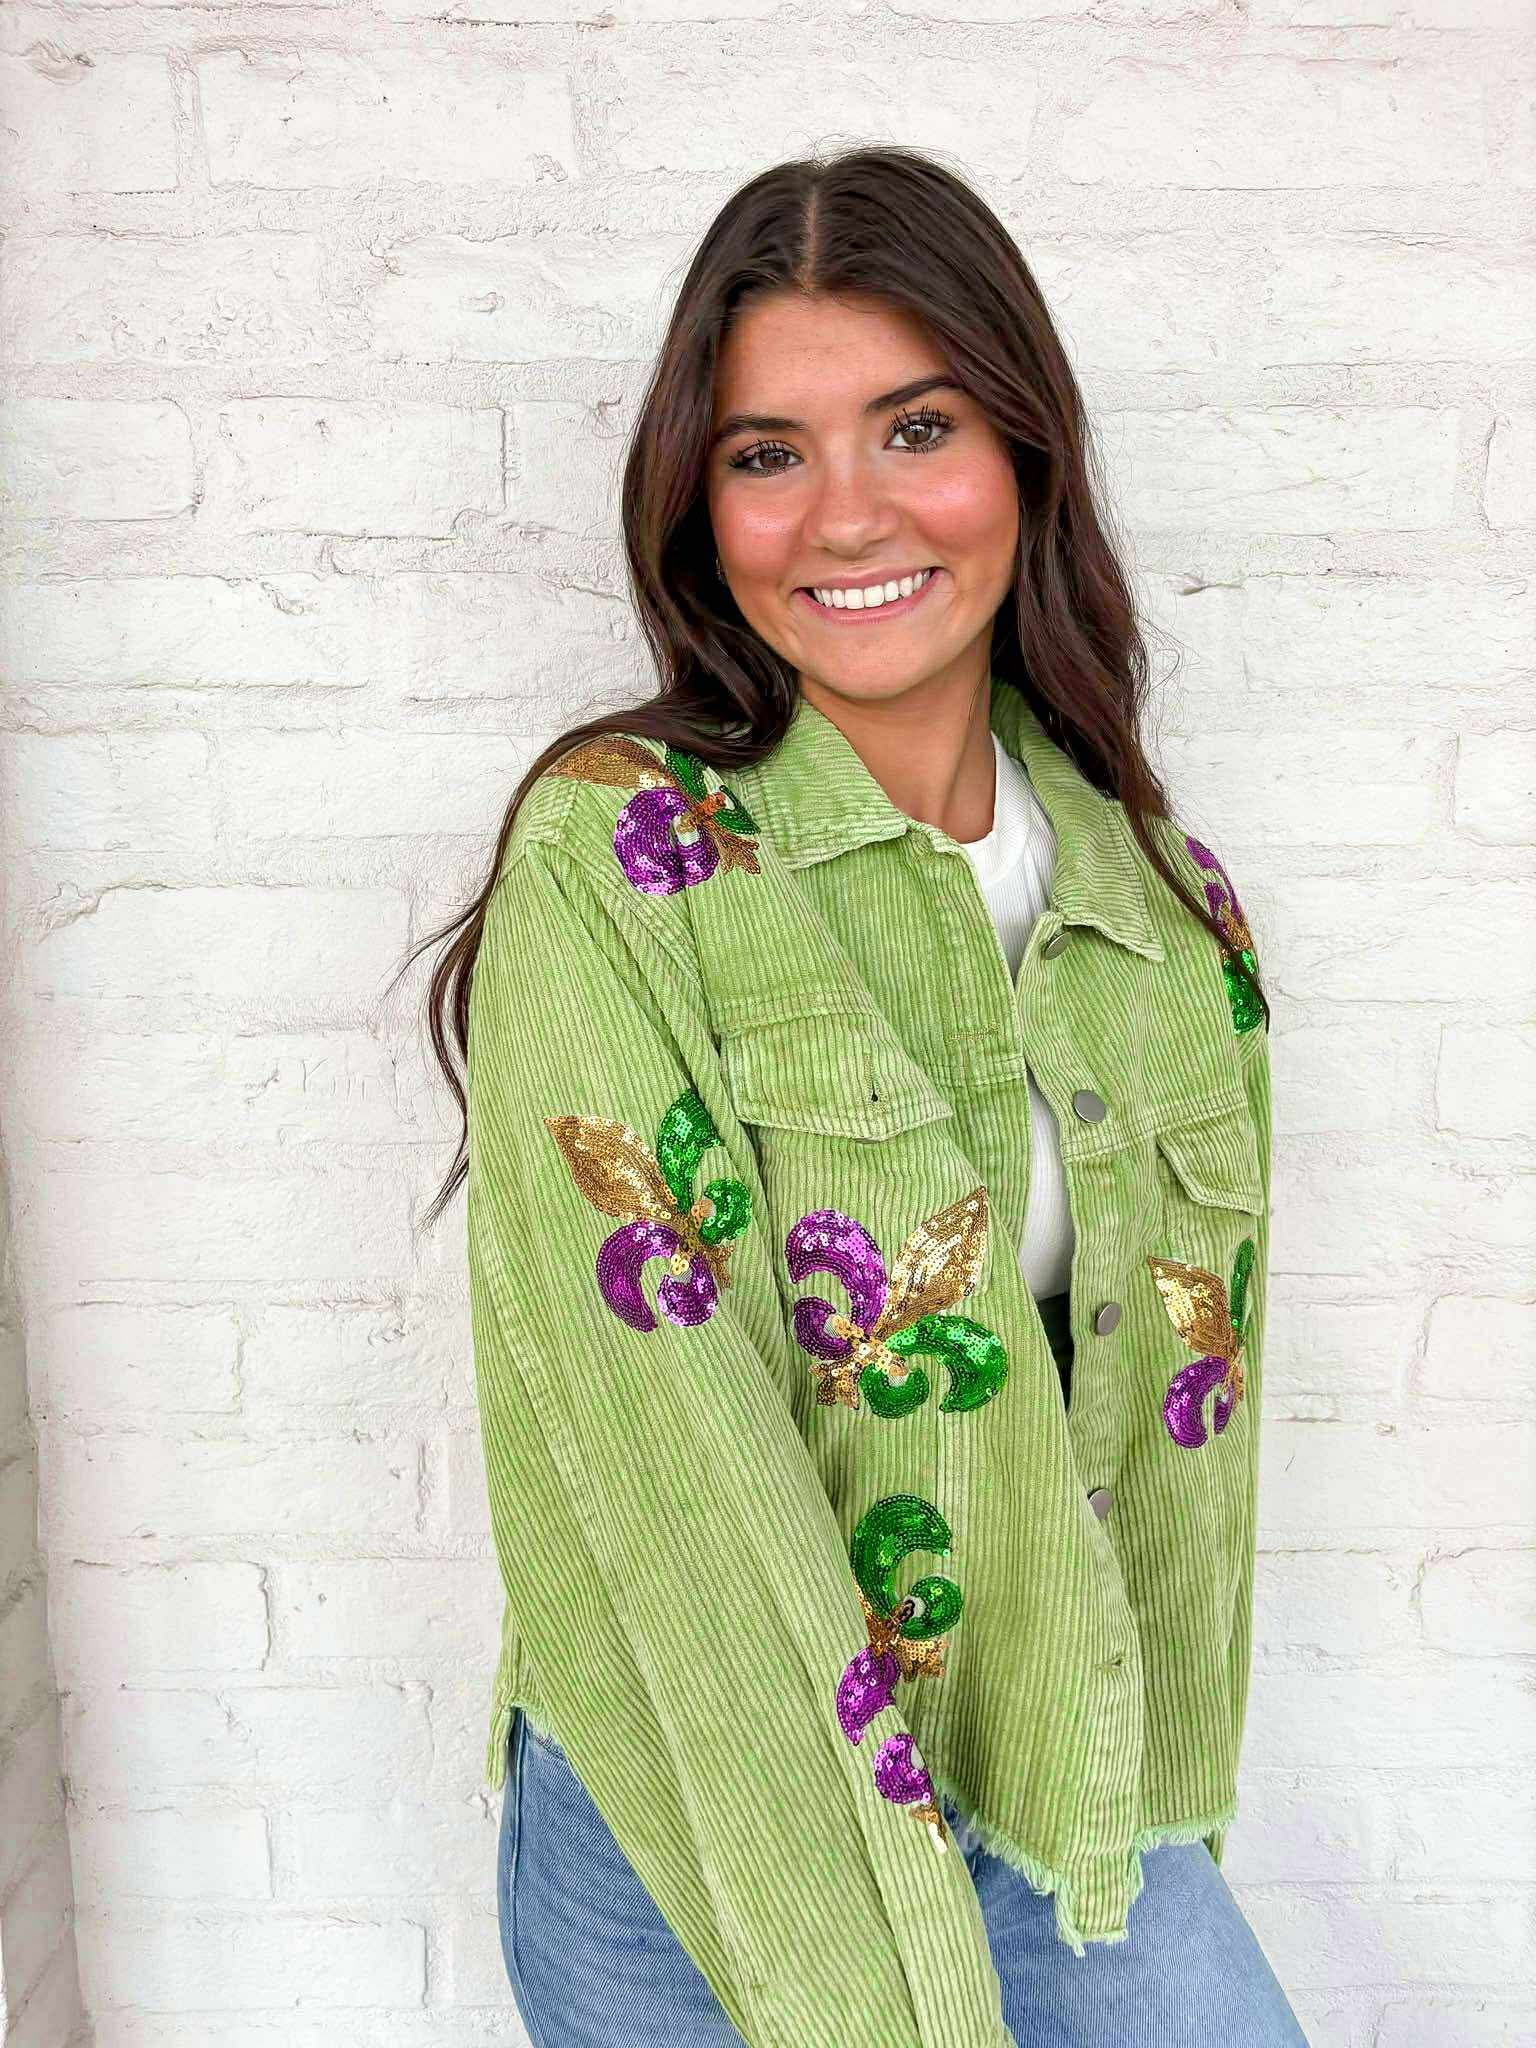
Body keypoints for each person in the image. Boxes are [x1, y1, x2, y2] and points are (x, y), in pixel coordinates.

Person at [405, 146, 1309, 2047]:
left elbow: (1176, 1462)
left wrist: (1139, 1820)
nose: (845, 514)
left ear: (1025, 454)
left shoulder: (1169, 911)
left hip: (1051, 1787)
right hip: (710, 1813)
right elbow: (671, 1473)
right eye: (768, 452)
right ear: (700, 503)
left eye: (916, 427)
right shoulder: (625, 860)